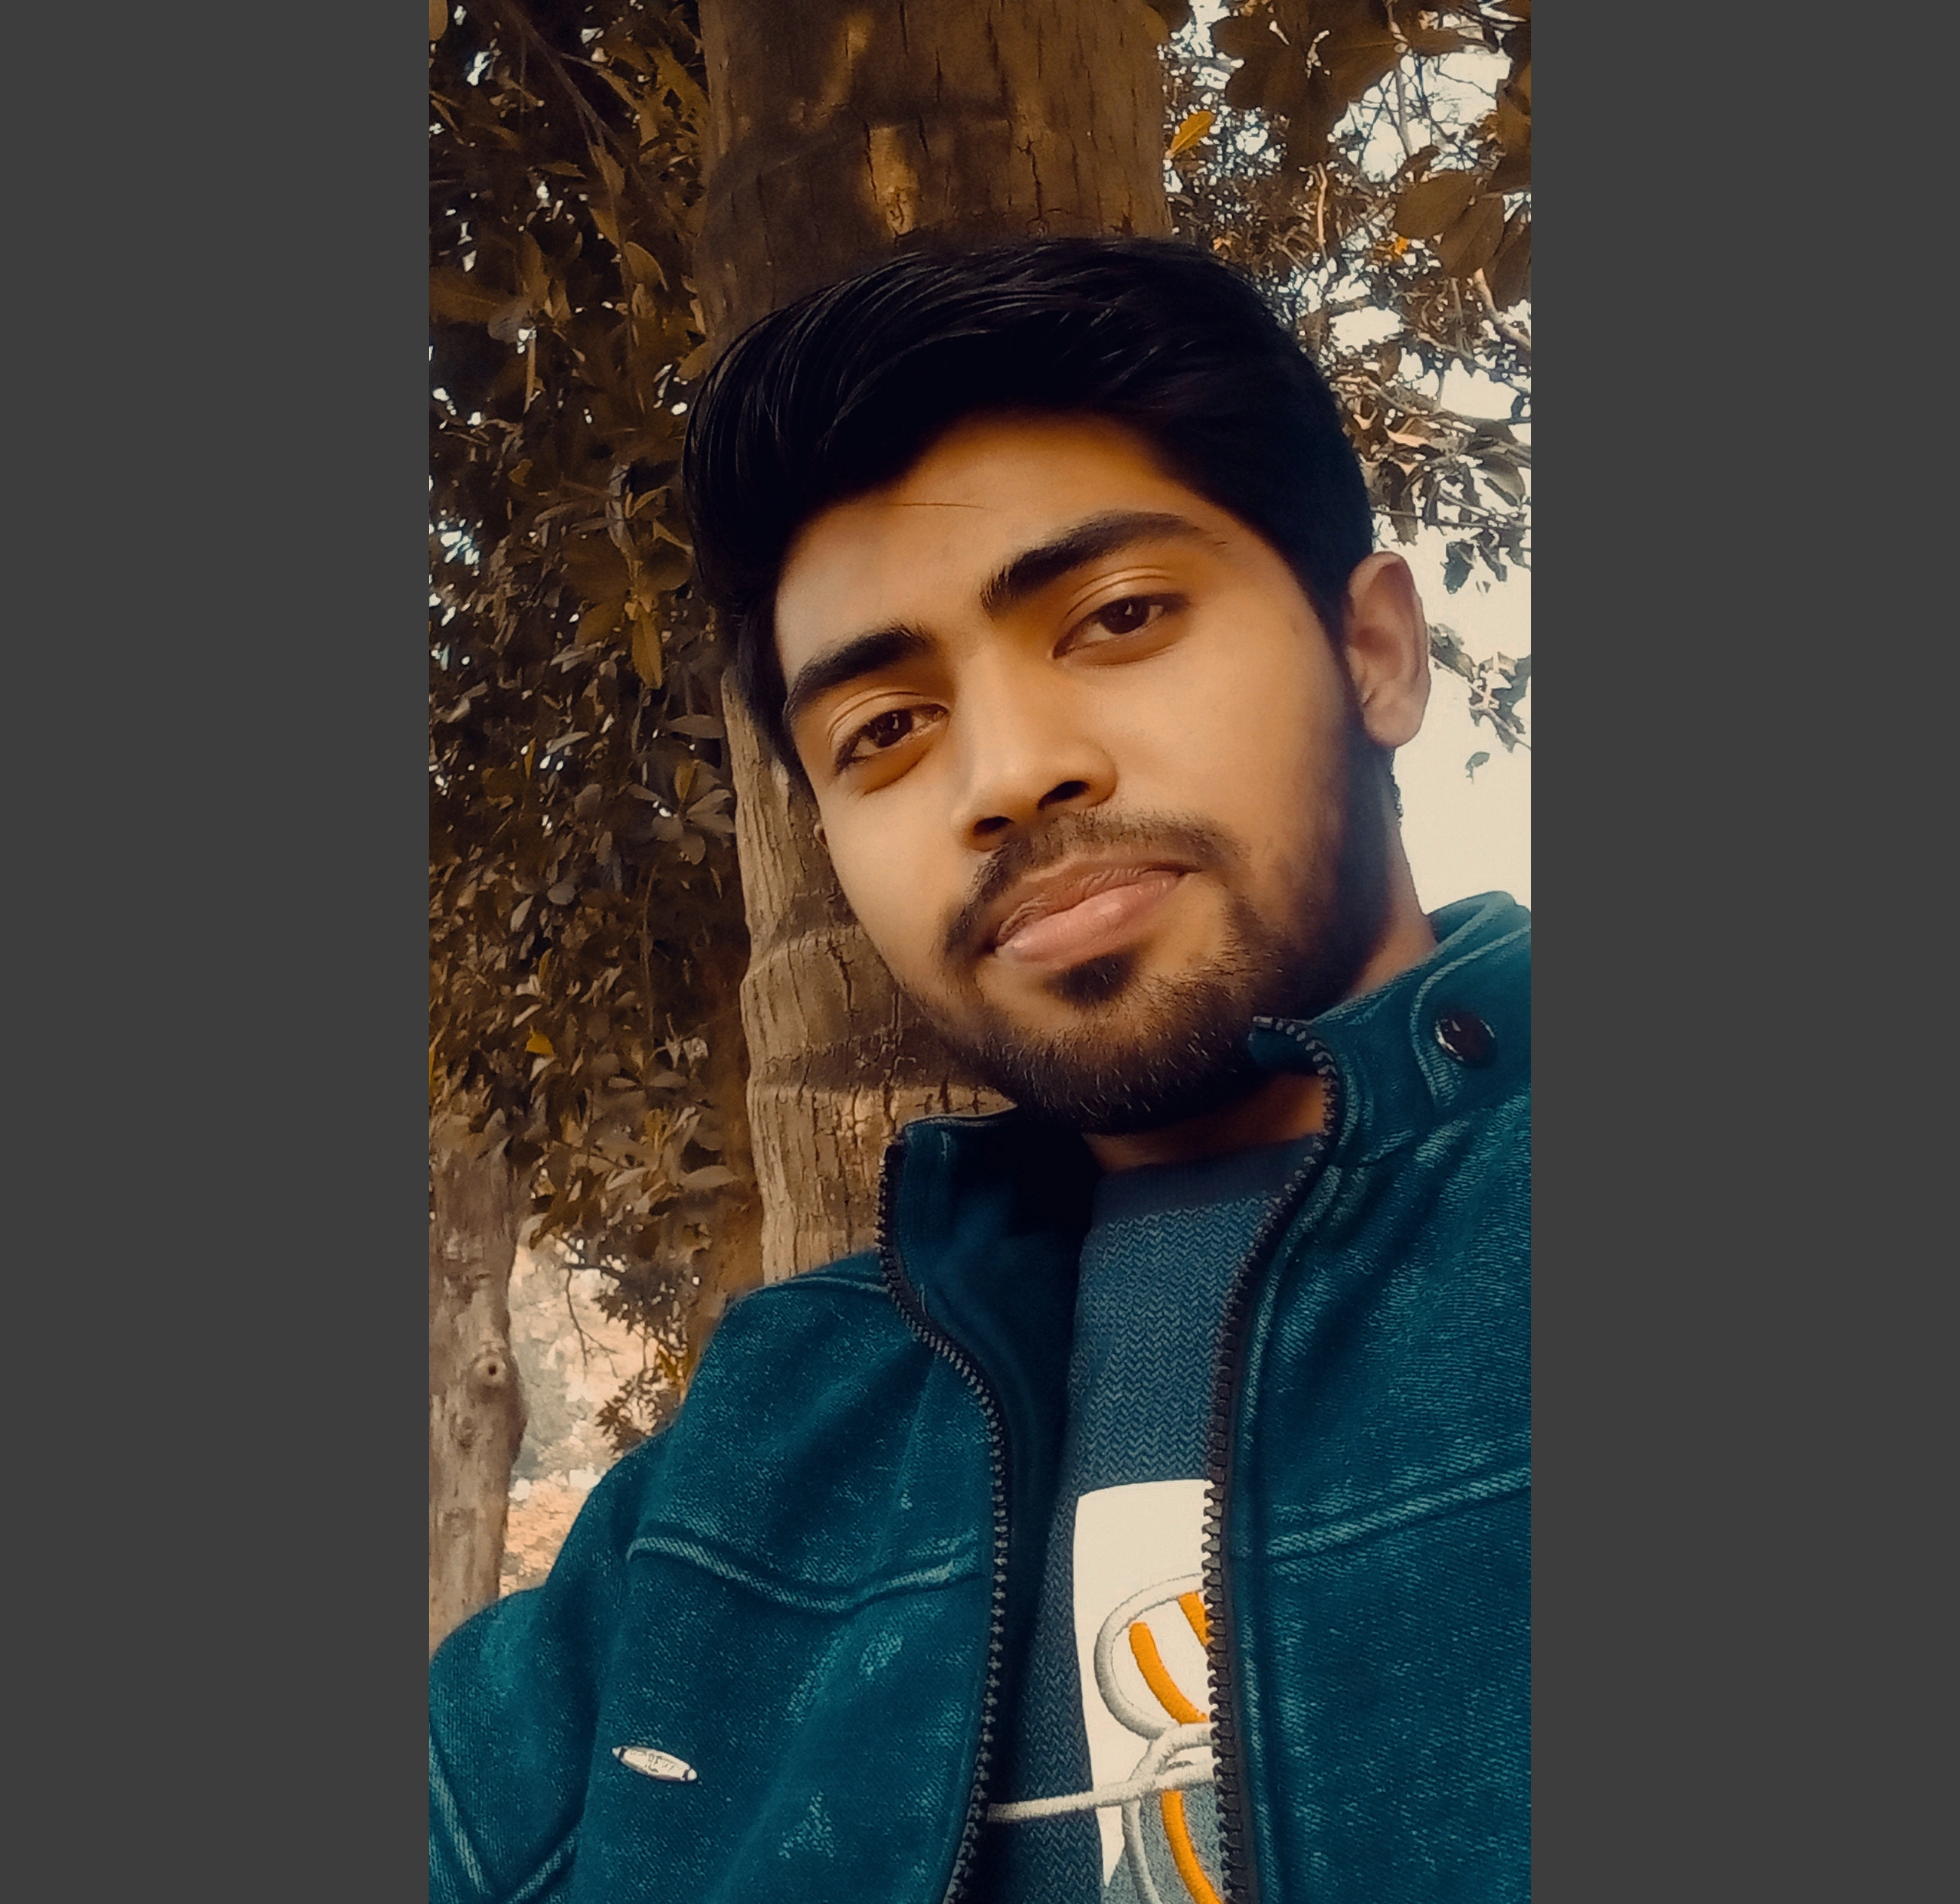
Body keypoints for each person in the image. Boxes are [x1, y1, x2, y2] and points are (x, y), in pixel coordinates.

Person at [430, 238, 1529, 1904]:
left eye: (1118, 617)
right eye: (883, 729)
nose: (1008, 773)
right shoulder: (751, 1464)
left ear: (1372, 650)